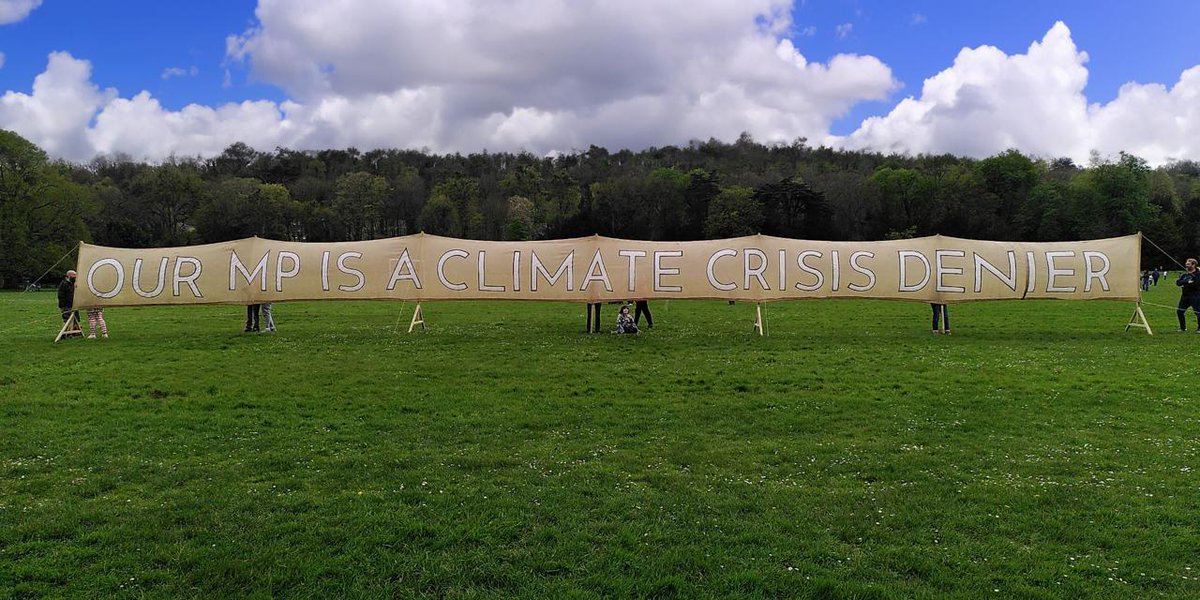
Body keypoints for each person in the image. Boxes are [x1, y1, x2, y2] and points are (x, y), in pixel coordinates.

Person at [1176, 258, 1200, 332]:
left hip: (1195, 295)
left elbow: (1196, 283)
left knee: (1197, 312)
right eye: (1186, 264)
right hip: (1185, 296)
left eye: (1188, 264)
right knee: (1180, 311)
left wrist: (1186, 283)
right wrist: (1187, 282)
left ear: (1194, 265)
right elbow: (1178, 282)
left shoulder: (1198, 274)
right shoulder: (1185, 275)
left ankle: (1199, 328)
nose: (1186, 265)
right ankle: (1183, 328)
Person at [57, 270, 80, 335]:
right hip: (66, 305)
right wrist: (63, 306)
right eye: (74, 275)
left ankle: (75, 332)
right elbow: (61, 296)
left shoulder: (72, 283)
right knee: (67, 319)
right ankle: (65, 333)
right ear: (69, 275)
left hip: (74, 304)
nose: (75, 277)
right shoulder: (64, 284)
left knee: (76, 319)